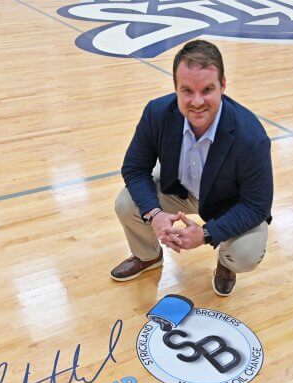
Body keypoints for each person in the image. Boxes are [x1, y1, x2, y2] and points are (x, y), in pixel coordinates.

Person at [111, 40, 273, 296]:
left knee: (246, 254)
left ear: (223, 86)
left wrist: (207, 233)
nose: (197, 102)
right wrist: (154, 214)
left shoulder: (250, 137)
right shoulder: (156, 113)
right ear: (176, 88)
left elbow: (257, 205)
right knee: (127, 204)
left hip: (228, 203)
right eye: (187, 91)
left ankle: (226, 263)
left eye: (207, 89)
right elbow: (134, 168)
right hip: (180, 189)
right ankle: (148, 256)